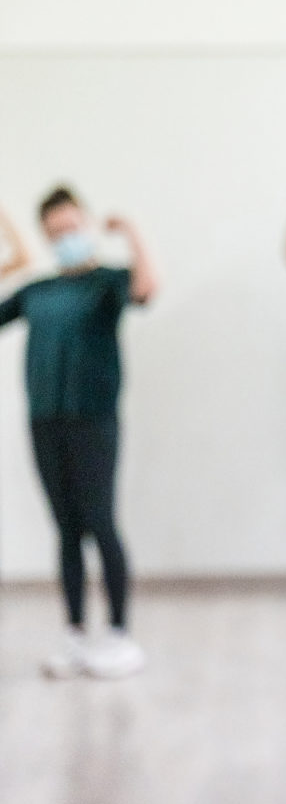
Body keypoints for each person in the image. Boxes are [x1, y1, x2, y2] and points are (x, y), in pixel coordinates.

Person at [0, 188, 158, 679]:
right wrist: (11, 253)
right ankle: (73, 633)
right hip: (45, 421)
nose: (65, 237)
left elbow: (147, 288)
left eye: (72, 228)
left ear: (85, 225)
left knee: (100, 522)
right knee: (66, 530)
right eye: (55, 232)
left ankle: (118, 634)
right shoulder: (38, 291)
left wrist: (132, 233)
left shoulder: (106, 282)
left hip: (94, 420)